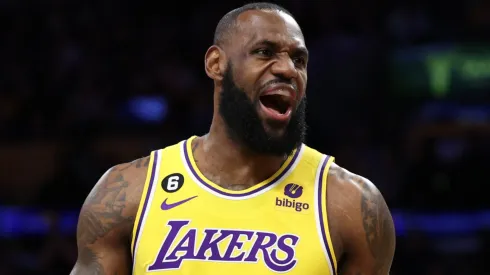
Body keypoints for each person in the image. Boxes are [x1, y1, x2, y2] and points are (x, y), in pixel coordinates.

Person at [70, 2, 396, 274]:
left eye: (299, 60)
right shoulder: (129, 192)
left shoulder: (350, 204)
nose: (288, 69)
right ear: (216, 64)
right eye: (265, 52)